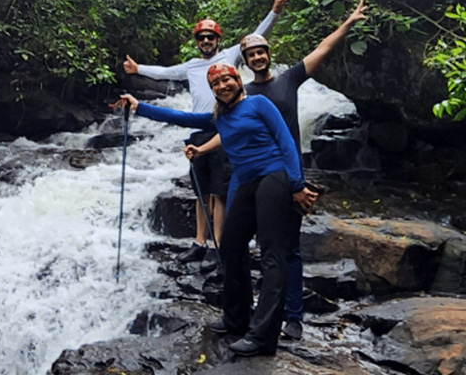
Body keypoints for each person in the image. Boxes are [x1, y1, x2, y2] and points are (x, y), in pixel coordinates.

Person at [186, 0, 368, 341]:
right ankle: (250, 316)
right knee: (242, 246)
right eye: (250, 54)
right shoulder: (241, 95)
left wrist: (349, 22)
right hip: (249, 176)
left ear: (268, 54)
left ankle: (293, 318)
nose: (257, 57)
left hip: (286, 173)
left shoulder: (289, 81)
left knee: (287, 248)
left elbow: (323, 48)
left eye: (261, 52)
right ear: (244, 63)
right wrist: (201, 148)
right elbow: (228, 131)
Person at [119, 63, 318, 357]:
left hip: (275, 177)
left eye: (227, 80)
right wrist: (140, 107)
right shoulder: (219, 117)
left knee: (272, 254)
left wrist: (297, 184)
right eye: (216, 83)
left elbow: (286, 140)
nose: (222, 86)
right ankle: (237, 318)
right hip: (248, 181)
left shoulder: (258, 103)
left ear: (238, 81)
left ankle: (264, 336)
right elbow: (182, 118)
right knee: (230, 246)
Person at [123, 0, 290, 270]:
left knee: (220, 191)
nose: (206, 41)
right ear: (197, 41)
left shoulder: (229, 57)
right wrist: (138, 69)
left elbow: (256, 37)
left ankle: (219, 245)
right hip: (199, 128)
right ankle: (199, 243)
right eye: (201, 37)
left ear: (217, 39)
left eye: (210, 37)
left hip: (225, 126)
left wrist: (275, 10)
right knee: (201, 190)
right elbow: (165, 73)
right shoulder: (190, 66)